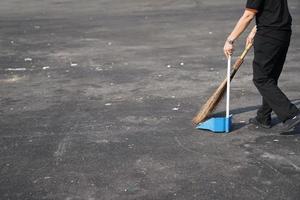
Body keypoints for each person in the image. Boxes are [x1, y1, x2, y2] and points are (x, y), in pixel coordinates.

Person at [223, 0, 300, 133]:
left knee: (261, 79)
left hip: (269, 35)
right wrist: (255, 29)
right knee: (270, 77)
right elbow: (270, 10)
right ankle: (263, 117)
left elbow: (248, 15)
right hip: (283, 32)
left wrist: (230, 40)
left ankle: (291, 114)